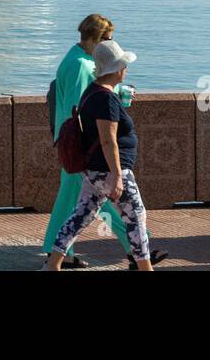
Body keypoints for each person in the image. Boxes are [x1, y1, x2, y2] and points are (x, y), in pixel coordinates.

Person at [44, 38, 155, 270]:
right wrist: (116, 175)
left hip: (93, 171)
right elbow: (108, 140)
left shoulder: (91, 92)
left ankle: (53, 264)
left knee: (79, 218)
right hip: (111, 170)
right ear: (117, 69)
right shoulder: (106, 99)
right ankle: (146, 268)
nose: (126, 69)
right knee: (136, 218)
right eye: (124, 65)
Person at [41, 15, 128, 268]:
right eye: (108, 39)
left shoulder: (76, 58)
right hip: (81, 146)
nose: (111, 44)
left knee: (71, 200)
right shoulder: (80, 65)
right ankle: (138, 247)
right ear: (95, 39)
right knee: (105, 197)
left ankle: (55, 252)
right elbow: (80, 107)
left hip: (72, 144)